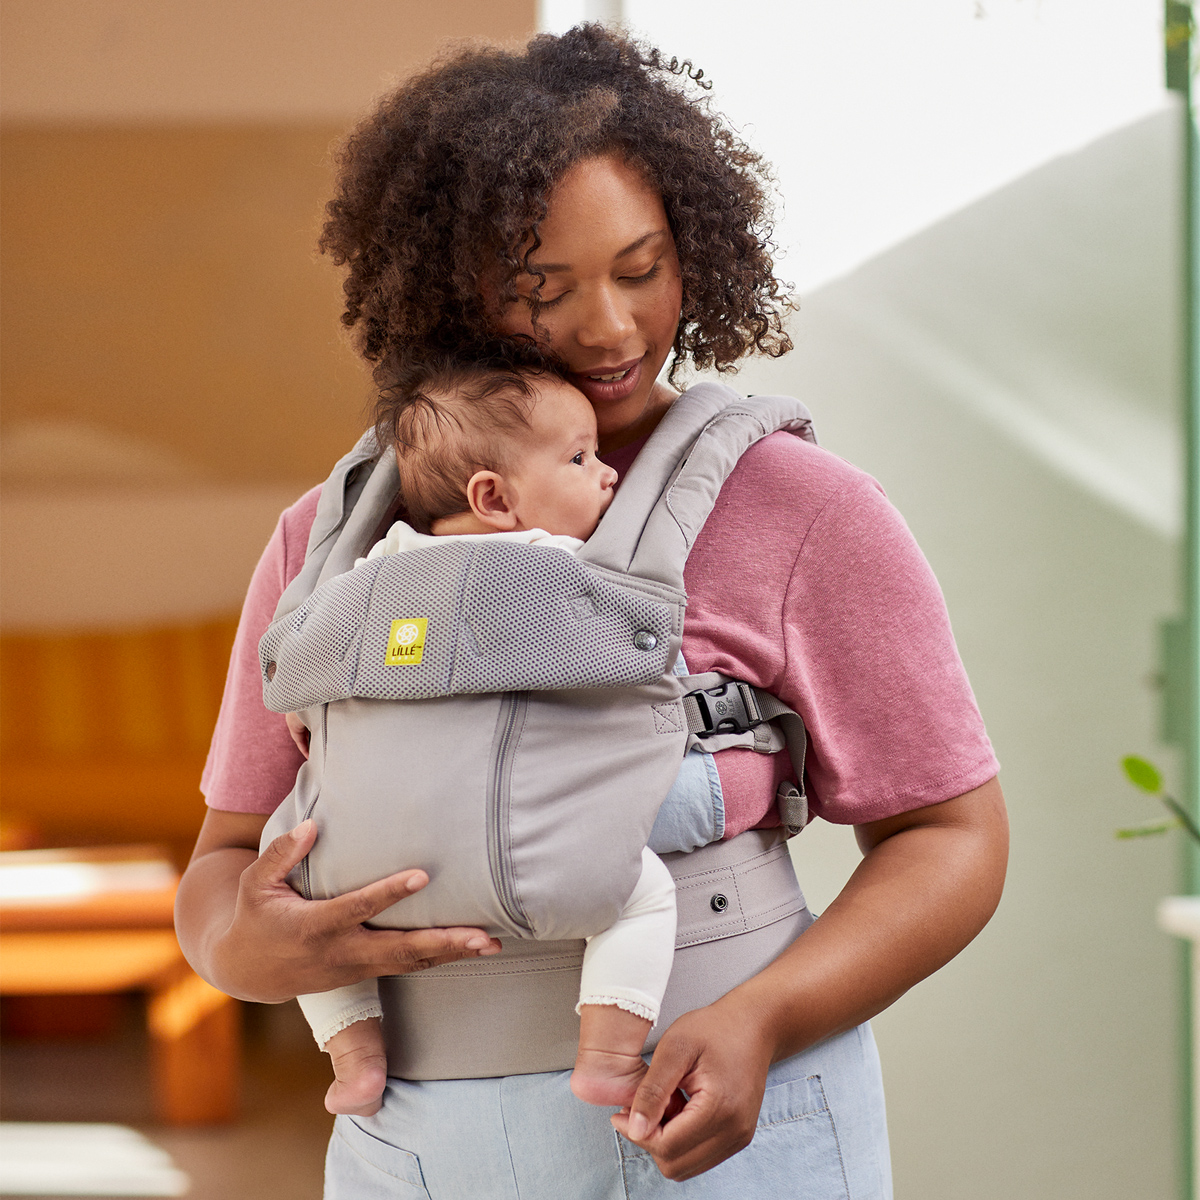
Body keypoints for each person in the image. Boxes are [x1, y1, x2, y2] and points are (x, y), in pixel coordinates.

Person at [176, 25, 1008, 1197]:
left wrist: (766, 1016)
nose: (611, 328)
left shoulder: (802, 508)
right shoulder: (331, 537)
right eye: (540, 289)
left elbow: (954, 836)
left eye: (642, 266)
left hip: (722, 1130)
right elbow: (221, 862)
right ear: (447, 285)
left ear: (696, 254)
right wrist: (240, 948)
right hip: (413, 1145)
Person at [283, 356, 677, 1118]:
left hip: (355, 870)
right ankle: (605, 1057)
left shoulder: (368, 572)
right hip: (514, 857)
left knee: (314, 928)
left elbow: (301, 681)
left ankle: (355, 1057)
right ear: (493, 498)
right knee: (641, 893)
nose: (607, 475)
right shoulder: (554, 566)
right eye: (579, 458)